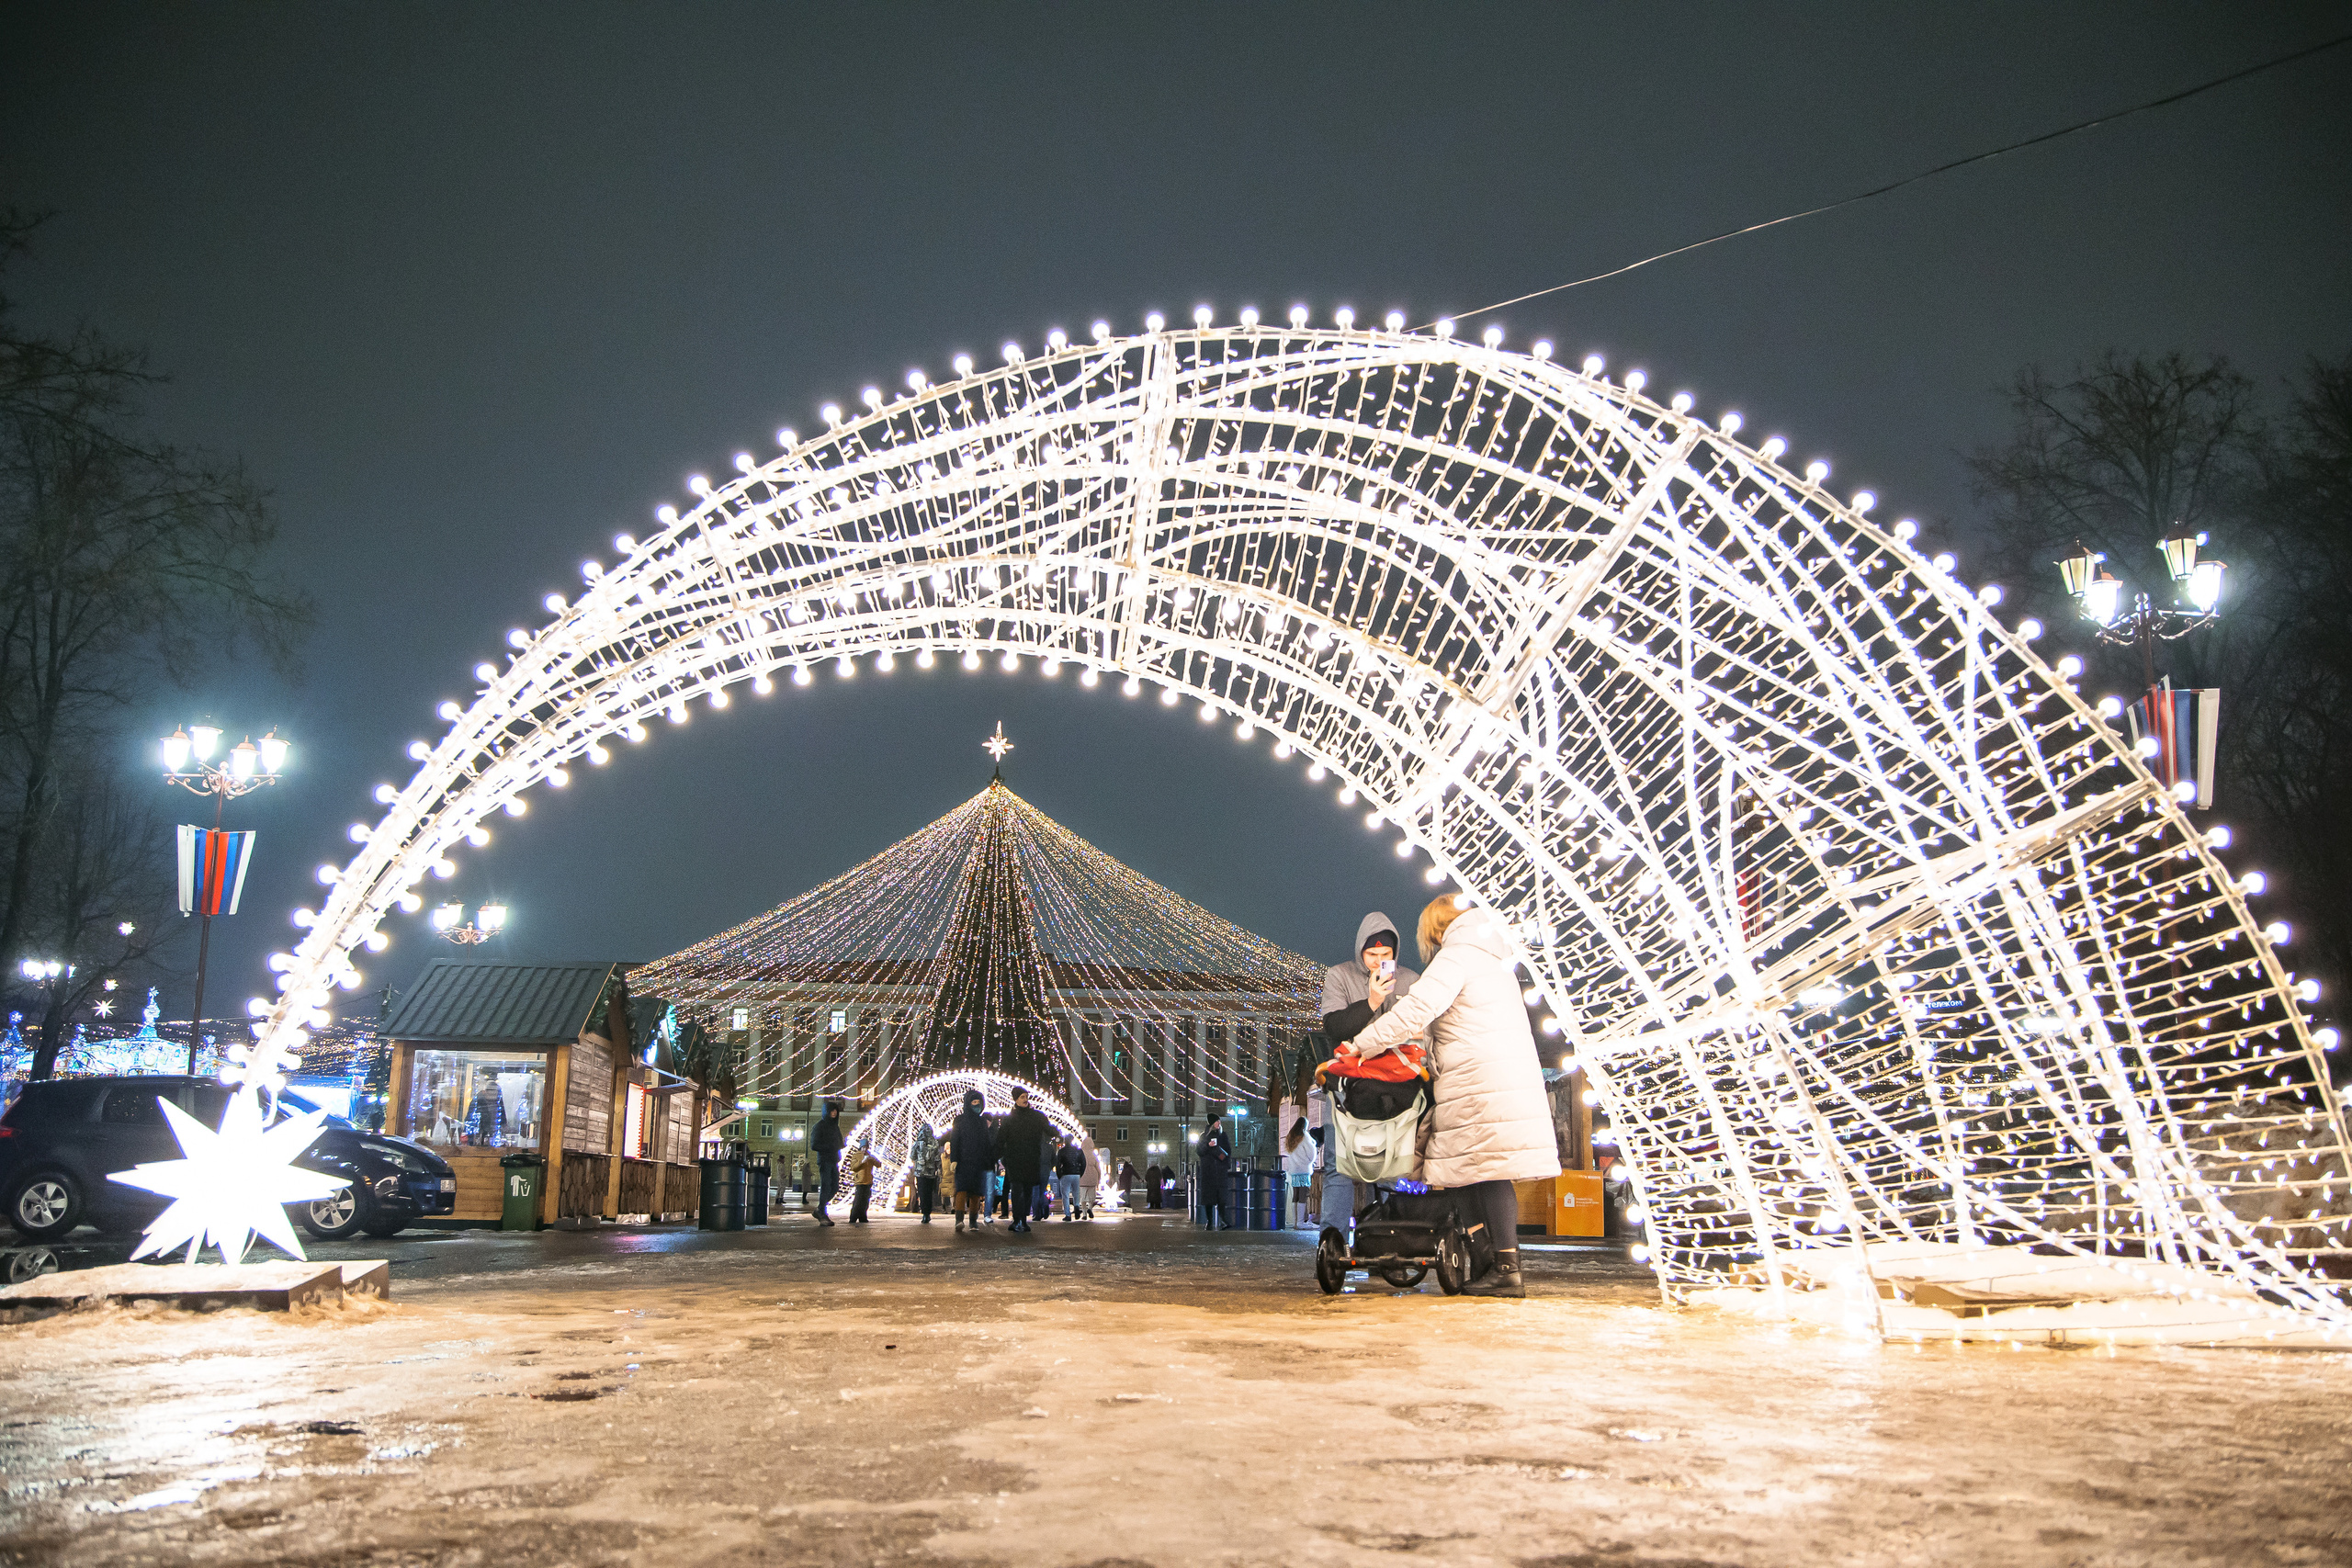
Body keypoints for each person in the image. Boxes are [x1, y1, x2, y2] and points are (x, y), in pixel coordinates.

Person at [1350, 894, 1563, 1299]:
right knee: (1461, 1171)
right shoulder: (1492, 963)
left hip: (1478, 1082)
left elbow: (1415, 1011)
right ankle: (1488, 1260)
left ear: (1434, 930)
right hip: (1494, 1077)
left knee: (1488, 1172)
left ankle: (1505, 1267)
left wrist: (1361, 1046)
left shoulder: (1456, 958)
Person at [1317, 911, 1422, 1239]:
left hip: (1396, 1087)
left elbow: (1421, 1031)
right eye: (1371, 955)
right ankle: (1331, 1240)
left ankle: (1389, 1237)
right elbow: (1334, 1027)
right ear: (1360, 952)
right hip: (1348, 1086)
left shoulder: (1411, 980)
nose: (1378, 962)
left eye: (1385, 955)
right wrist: (1372, 1000)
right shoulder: (1340, 976)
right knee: (1339, 1166)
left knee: (1392, 1166)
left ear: (1395, 954)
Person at [997, 1088, 1052, 1233]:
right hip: (1015, 1160)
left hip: (1031, 1159)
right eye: (1022, 1097)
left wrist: (1054, 1132)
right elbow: (1001, 1139)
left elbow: (1049, 1129)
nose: (1025, 1099)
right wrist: (995, 1155)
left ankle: (1023, 1220)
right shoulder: (1009, 1119)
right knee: (1016, 1191)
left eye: (1026, 1096)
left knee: (1027, 1191)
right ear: (1015, 1099)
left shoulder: (1036, 1116)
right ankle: (1017, 1220)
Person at [948, 1089, 994, 1232]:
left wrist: (988, 1160)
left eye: (978, 1102)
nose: (976, 1105)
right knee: (961, 1191)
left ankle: (973, 1220)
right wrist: (954, 1159)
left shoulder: (982, 1122)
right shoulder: (959, 1120)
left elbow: (986, 1142)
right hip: (963, 1161)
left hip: (978, 1162)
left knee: (975, 1193)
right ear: (968, 1103)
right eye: (973, 1102)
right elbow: (955, 1139)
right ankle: (959, 1219)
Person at [810, 1100, 845, 1226]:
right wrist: (830, 1146)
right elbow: (814, 1145)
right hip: (825, 1160)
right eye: (832, 1110)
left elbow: (839, 1142)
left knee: (835, 1187)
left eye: (836, 1110)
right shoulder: (819, 1126)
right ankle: (822, 1213)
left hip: (834, 1160)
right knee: (825, 1186)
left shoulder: (835, 1127)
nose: (834, 1113)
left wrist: (841, 1144)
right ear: (827, 1112)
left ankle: (820, 1209)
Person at [1197, 1116, 1233, 1229]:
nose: (1219, 1123)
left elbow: (1228, 1151)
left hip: (1220, 1172)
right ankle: (1210, 1221)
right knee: (1209, 1198)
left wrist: (1225, 1162)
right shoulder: (1204, 1136)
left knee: (1221, 1197)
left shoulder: (1223, 1135)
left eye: (1219, 1121)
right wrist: (1208, 1145)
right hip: (1208, 1172)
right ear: (1212, 1123)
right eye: (1217, 1121)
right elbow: (1199, 1151)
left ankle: (1223, 1220)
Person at [1283, 1115, 1316, 1227]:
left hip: (1294, 1170)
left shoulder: (1291, 1136)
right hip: (1303, 1169)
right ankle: (1300, 1222)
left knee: (1295, 1195)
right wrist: (1309, 1161)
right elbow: (1311, 1153)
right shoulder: (1305, 1136)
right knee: (1303, 1194)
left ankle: (1295, 1221)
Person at [910, 1125, 944, 1223]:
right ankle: (927, 1213)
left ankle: (924, 1213)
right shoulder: (935, 1143)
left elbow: (912, 1156)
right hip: (931, 1172)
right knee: (929, 1193)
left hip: (920, 1172)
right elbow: (938, 1158)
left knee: (922, 1192)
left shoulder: (917, 1143)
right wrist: (938, 1168)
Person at [1053, 1136, 1086, 1222]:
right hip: (1076, 1174)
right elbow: (1083, 1163)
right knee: (1076, 1193)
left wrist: (1059, 1175)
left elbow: (1058, 1164)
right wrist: (1080, 1173)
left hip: (1066, 1174)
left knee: (1065, 1195)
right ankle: (1077, 1207)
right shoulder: (1078, 1150)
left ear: (1065, 1141)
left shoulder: (1061, 1151)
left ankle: (1068, 1215)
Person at [847, 1144, 878, 1224]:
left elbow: (879, 1164)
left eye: (866, 1148)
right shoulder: (856, 1156)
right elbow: (853, 1167)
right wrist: (862, 1162)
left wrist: (873, 1160)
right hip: (860, 1182)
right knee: (858, 1200)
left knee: (865, 1201)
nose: (865, 1149)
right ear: (860, 1147)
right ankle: (853, 1217)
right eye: (863, 1147)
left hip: (868, 1182)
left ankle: (863, 1217)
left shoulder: (870, 1156)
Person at [1080, 1135, 1104, 1218]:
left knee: (1082, 1198)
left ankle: (1084, 1214)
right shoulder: (1094, 1155)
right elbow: (1098, 1169)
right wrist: (1099, 1179)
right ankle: (1090, 1208)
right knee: (1092, 1197)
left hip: (1082, 1179)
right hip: (1092, 1179)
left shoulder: (1080, 1154)